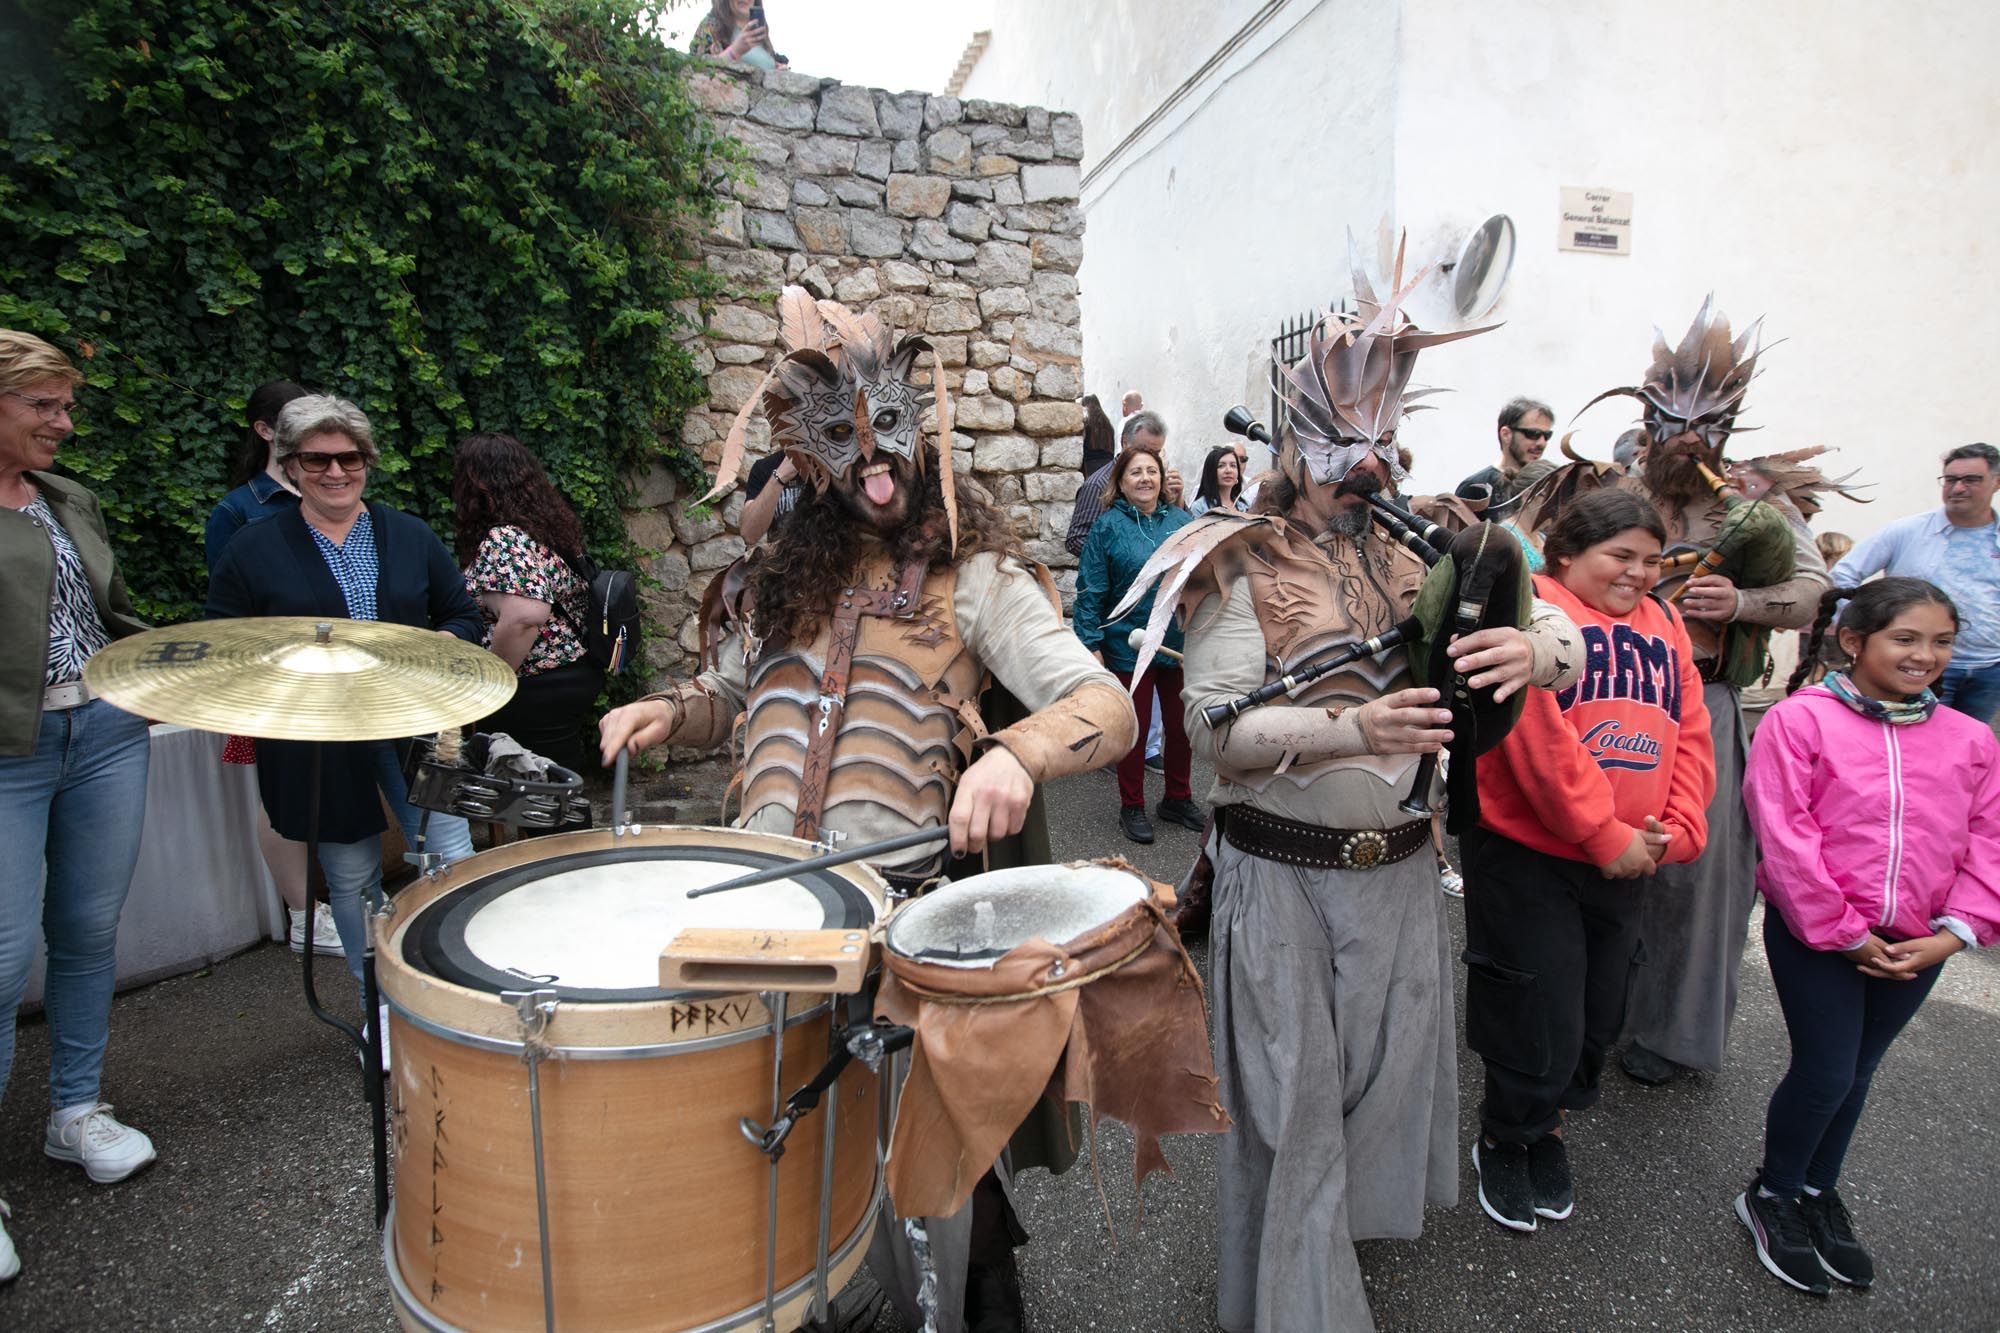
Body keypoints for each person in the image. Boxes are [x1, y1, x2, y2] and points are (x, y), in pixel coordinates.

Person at [597, 288, 1134, 1333]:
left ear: (918, 432)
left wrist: (1016, 755)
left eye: (887, 432)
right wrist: (669, 709)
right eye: (842, 443)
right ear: (807, 457)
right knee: (776, 1159)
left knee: (933, 1176)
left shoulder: (975, 580)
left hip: (901, 928)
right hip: (751, 927)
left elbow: (1102, 705)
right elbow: (735, 697)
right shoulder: (777, 579)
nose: (872, 464)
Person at [1117, 277, 1581, 1331]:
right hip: (1277, 883)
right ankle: (1295, 1304)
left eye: (1378, 442)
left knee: (1369, 1104)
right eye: (1338, 444)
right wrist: (1351, 728)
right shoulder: (1228, 558)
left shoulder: (1434, 543)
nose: (1361, 467)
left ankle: (1322, 1260)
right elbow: (1216, 736)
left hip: (1403, 879)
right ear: (1292, 440)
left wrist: (1531, 645)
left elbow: (1566, 634)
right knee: (1290, 1123)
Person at [1528, 297, 1831, 1087]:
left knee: (1694, 879)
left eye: (1705, 426)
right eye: (1671, 421)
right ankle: (1596, 1017)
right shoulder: (1614, 489)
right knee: (1594, 853)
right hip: (1593, 702)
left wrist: (1741, 603)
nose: (1687, 439)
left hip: (1701, 703)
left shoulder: (1758, 500)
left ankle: (1674, 1031)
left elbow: (1809, 590)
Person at [1734, 577, 1999, 1296]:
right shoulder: (1801, 722)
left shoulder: (1971, 739)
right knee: (1824, 1070)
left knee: (1857, 1072)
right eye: (1905, 638)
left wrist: (1956, 932)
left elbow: (1990, 839)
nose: (1925, 655)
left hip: (1921, 943)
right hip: (1821, 936)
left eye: (1941, 641)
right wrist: (1843, 932)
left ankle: (1818, 1190)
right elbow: (1785, 835)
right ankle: (1773, 1192)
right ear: (1854, 641)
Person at [1460, 490, 1715, 1233]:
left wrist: (1679, 827)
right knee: (1534, 1006)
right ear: (1566, 553)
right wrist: (1606, 834)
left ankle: (1548, 1123)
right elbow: (1533, 739)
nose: (1640, 573)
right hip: (1532, 853)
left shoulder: (1666, 624)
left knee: (1599, 1010)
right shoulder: (1531, 609)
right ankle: (1507, 1133)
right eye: (1622, 556)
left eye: (1652, 560)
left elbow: (1690, 730)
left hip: (1630, 855)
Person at [206, 395, 481, 1053]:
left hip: (416, 725)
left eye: (348, 457)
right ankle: (380, 1009)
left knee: (451, 855)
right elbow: (225, 645)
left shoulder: (408, 534)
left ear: (367, 460)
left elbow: (464, 615)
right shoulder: (253, 548)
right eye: (316, 459)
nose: (334, 471)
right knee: (354, 874)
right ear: (290, 464)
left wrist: (430, 646)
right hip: (318, 740)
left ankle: (464, 989)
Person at [0, 330, 159, 1281]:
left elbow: (111, 616)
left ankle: (75, 1113)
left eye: (67, 405)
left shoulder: (67, 499)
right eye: (43, 406)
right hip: (8, 754)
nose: (64, 422)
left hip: (102, 734)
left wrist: (187, 674)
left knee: (89, 930)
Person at [201, 379, 330, 958]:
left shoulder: (336, 493)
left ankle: (347, 898)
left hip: (341, 673)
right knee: (280, 788)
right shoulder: (237, 510)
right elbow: (229, 604)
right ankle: (304, 914)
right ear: (265, 432)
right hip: (277, 675)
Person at [452, 432, 603, 788]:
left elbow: (525, 616)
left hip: (537, 684)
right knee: (558, 784)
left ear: (475, 484)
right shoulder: (544, 530)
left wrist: (492, 685)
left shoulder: (505, 538)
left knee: (542, 796)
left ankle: (563, 847)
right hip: (570, 673)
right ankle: (569, 844)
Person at [1071, 445, 1198, 843]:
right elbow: (1090, 590)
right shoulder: (1107, 527)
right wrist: (1090, 645)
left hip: (1175, 644)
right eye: (1135, 473)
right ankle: (1133, 805)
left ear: (1162, 479)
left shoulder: (1183, 521)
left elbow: (1200, 583)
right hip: (1126, 646)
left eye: (1152, 471)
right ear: (1121, 484)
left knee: (1181, 729)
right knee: (1135, 731)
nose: (1145, 478)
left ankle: (1177, 797)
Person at [1829, 443, 2000, 724]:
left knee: (1968, 747)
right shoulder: (1906, 531)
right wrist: (1861, 633)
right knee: (1911, 744)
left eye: (1971, 480)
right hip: (1917, 667)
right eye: (1950, 479)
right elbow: (1842, 577)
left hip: (1989, 670)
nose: (1957, 488)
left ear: (1996, 482)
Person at [1063, 409, 1176, 556]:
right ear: (1124, 443)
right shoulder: (1098, 485)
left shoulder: (1157, 480)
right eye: (1144, 450)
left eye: (1157, 452)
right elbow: (1076, 539)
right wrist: (1118, 559)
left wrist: (1177, 499)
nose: (1150, 458)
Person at [1457, 396, 1554, 504]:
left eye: (1547, 435)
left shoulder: (1551, 483)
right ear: (1506, 434)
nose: (1542, 443)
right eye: (1533, 434)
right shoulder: (1475, 488)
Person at [689, 0, 786, 70]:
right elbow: (696, 69)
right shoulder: (712, 25)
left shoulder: (760, 32)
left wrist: (777, 70)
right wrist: (735, 50)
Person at [738, 448, 799, 546]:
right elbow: (749, 535)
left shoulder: (829, 467)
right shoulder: (764, 467)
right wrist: (780, 476)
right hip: (781, 558)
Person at [1190, 444, 1248, 516]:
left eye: (1233, 465)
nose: (1228, 470)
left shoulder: (1243, 506)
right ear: (1210, 472)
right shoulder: (1199, 507)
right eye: (1221, 466)